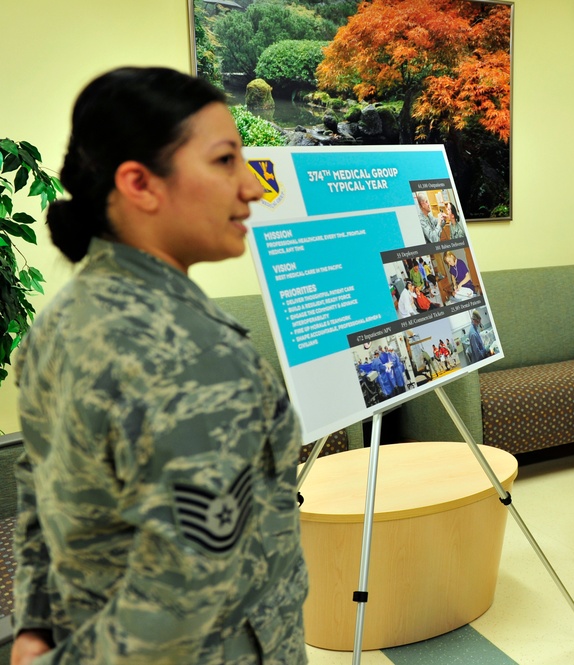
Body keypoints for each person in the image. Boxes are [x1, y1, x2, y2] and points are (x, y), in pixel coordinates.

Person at [12, 67, 309, 664]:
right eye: (225, 161)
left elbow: (40, 488)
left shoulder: (63, 318)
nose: (252, 187)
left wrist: (36, 626)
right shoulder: (193, 356)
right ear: (140, 184)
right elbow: (186, 593)